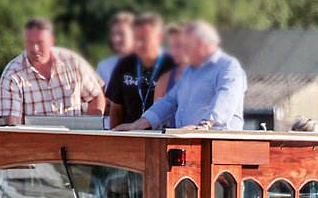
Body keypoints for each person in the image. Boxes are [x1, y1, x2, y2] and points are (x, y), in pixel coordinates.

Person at [111, 21, 247, 131]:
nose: (183, 51)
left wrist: (205, 125)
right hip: (192, 145)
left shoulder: (228, 66)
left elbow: (225, 98)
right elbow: (170, 101)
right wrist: (138, 124)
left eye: (186, 45)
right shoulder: (192, 70)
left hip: (221, 148)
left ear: (201, 43)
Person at [0, 18, 107, 126]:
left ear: (51, 41)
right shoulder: (12, 75)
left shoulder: (72, 62)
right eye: (30, 43)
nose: (35, 48)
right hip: (35, 141)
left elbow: (96, 95)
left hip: (74, 139)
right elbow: (13, 125)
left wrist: (90, 126)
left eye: (40, 42)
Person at [104, 13, 176, 127]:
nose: (139, 44)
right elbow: (116, 107)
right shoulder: (125, 64)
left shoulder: (173, 64)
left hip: (161, 136)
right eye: (136, 38)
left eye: (144, 39)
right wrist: (115, 139)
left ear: (159, 37)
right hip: (129, 135)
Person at [96, 12, 135, 82]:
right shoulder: (104, 67)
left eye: (121, 34)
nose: (116, 39)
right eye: (113, 34)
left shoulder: (149, 66)